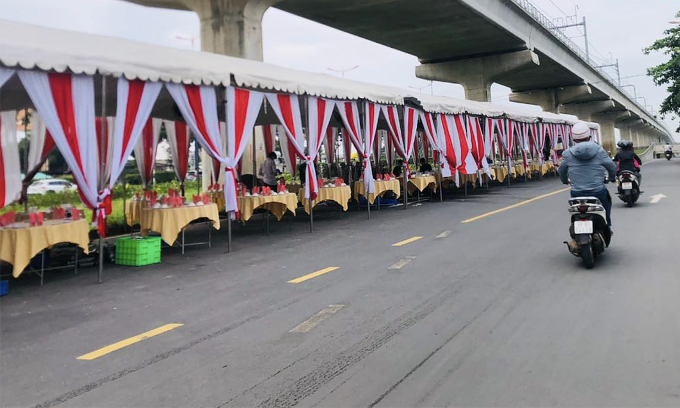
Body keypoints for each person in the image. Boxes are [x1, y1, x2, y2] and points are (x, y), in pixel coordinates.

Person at [558, 121, 616, 230]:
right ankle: (607, 225)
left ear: (574, 139)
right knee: (606, 203)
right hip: (598, 191)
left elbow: (561, 170)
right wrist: (612, 178)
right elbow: (611, 167)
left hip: (577, 192)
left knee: (575, 211)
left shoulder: (567, 153)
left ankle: (576, 225)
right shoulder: (599, 150)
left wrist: (565, 180)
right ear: (589, 136)